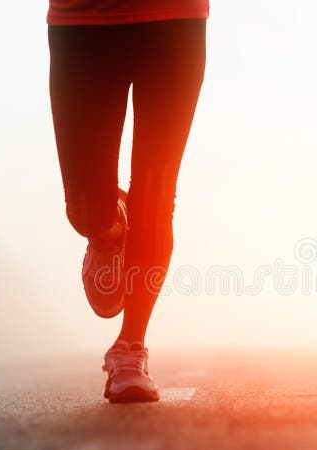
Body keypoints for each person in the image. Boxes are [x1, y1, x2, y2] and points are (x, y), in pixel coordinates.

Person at [47, 0, 209, 403]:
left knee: (155, 194)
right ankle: (107, 230)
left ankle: (130, 349)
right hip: (82, 20)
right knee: (84, 209)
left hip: (175, 18)